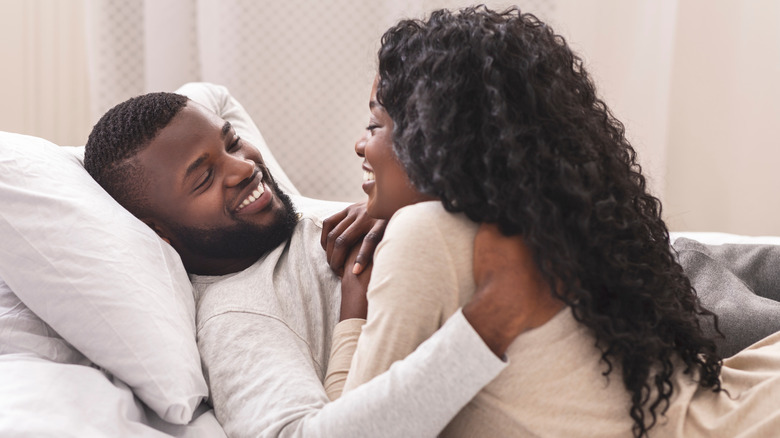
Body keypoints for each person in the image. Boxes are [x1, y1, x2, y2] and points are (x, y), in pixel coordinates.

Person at [327, 6, 780, 438]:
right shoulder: (545, 223)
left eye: (374, 124)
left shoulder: (423, 234)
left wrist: (352, 314)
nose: (360, 145)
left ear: (431, 138)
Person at [82, 81, 530, 437]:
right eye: (204, 178)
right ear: (158, 231)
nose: (242, 168)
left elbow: (213, 91)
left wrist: (392, 207)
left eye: (232, 143)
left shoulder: (302, 219)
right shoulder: (238, 317)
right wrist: (490, 322)